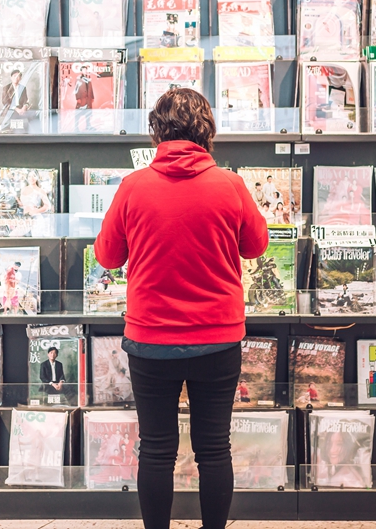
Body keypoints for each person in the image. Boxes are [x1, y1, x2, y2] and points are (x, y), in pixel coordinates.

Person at [93, 88, 268, 529]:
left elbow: (107, 257)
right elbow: (257, 245)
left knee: (155, 449)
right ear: (207, 132)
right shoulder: (230, 184)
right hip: (218, 337)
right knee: (214, 448)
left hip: (150, 339)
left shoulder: (133, 187)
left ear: (157, 132)